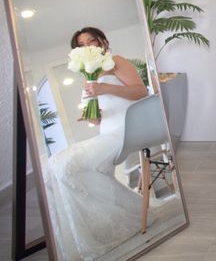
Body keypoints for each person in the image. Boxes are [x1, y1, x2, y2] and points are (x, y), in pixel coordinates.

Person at [43, 28, 154, 260]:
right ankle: (116, 221)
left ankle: (125, 217)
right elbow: (97, 120)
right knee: (55, 165)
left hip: (128, 130)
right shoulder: (88, 75)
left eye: (91, 42)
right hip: (107, 132)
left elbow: (141, 92)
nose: (87, 48)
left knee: (65, 164)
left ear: (103, 42)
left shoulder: (116, 61)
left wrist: (103, 88)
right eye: (81, 46)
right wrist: (90, 114)